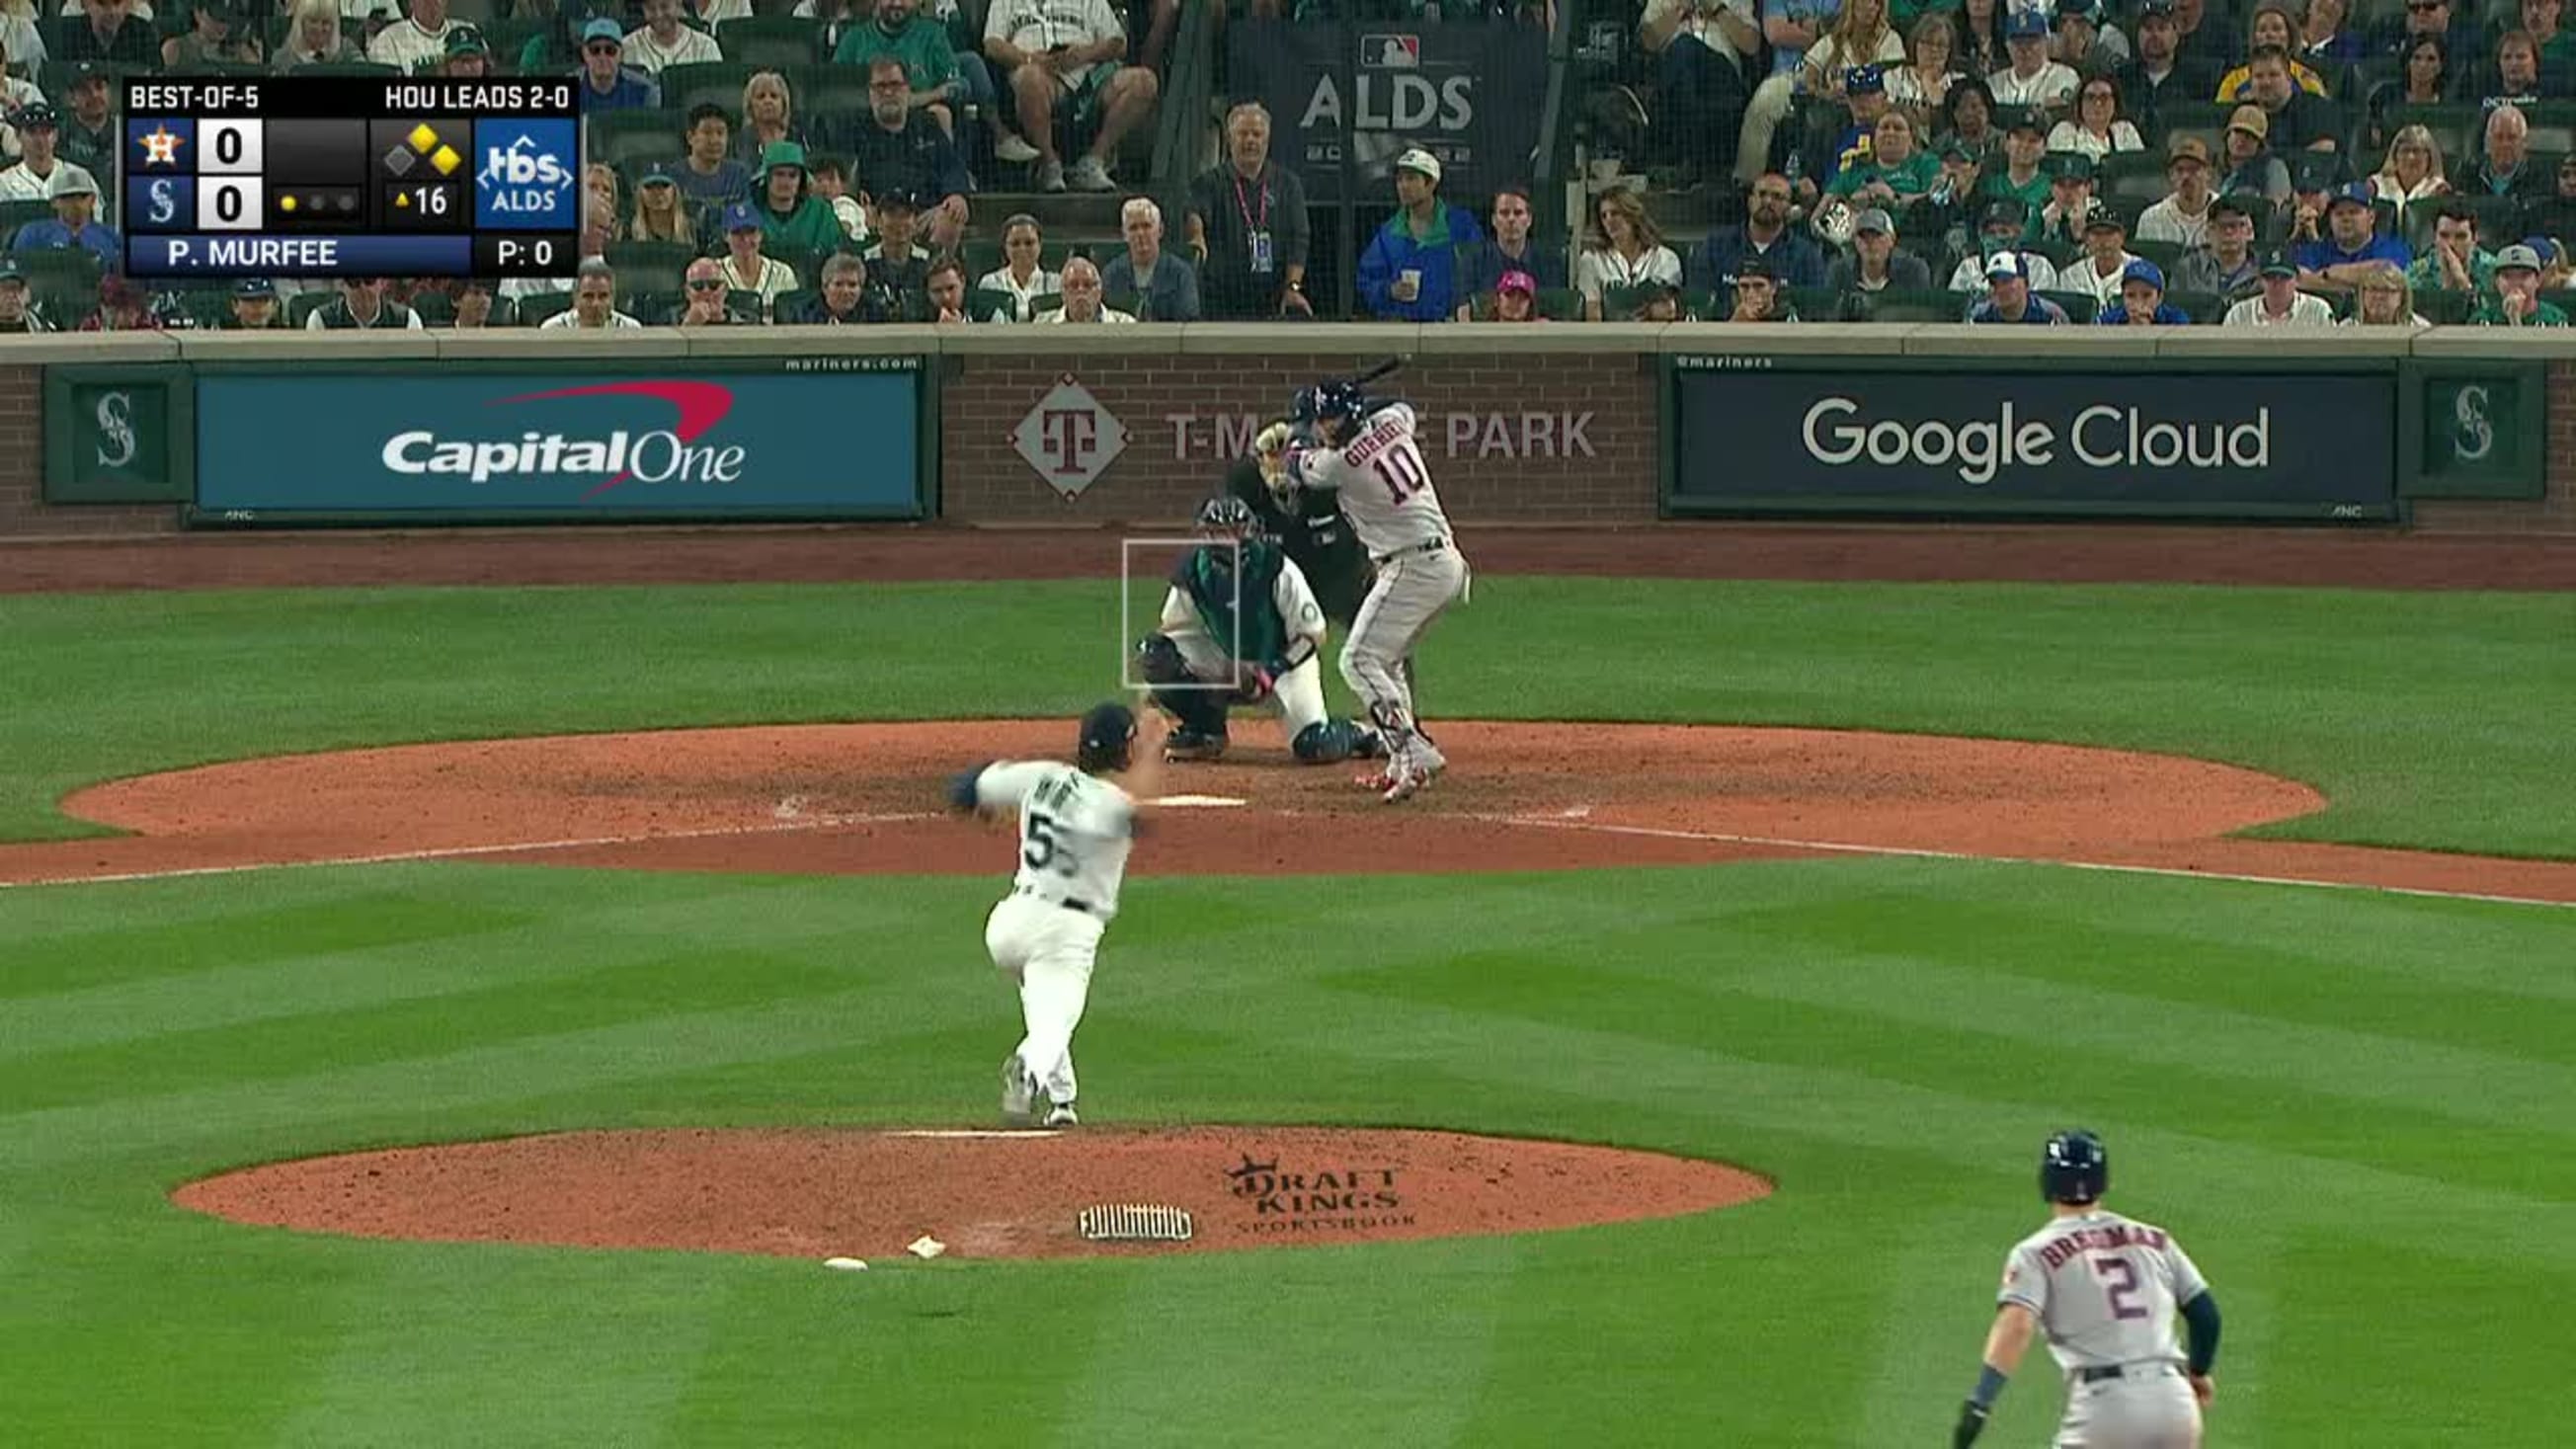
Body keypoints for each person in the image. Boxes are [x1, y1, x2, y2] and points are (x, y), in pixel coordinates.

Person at [948, 700, 1164, 1131]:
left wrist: (986, 809)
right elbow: (1139, 821)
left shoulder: (1043, 776)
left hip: (1009, 923)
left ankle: (1063, 1101)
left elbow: (964, 788)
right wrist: (1154, 751)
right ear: (1124, 752)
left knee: (1044, 1006)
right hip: (1065, 932)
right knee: (1053, 1025)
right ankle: (1027, 1070)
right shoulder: (1109, 802)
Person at [1950, 1130, 2221, 1449]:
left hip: (2107, 1407)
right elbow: (2206, 1315)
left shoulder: (2035, 1252)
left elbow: (2017, 1326)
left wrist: (1981, 1400)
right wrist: (2198, 1372)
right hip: (2174, 1402)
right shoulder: (2155, 1239)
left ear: (2047, 1181)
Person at [1270, 376, 1469, 804]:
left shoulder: (1340, 464)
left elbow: (1296, 465)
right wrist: (1336, 409)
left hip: (1412, 565)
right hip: (1442, 563)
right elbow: (1395, 403)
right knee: (1387, 661)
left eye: (1329, 419)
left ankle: (1415, 750)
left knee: (1357, 661)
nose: (1324, 427)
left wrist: (1296, 426)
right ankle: (1401, 765)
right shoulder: (1395, 423)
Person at [1136, 495, 1383, 766]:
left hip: (1285, 663)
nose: (1229, 539)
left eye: (1236, 531)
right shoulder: (1195, 571)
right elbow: (1173, 631)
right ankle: (1205, 731)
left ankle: (1363, 733)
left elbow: (1311, 635)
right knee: (1155, 652)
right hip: (1228, 657)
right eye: (1220, 533)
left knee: (1315, 745)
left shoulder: (1274, 567)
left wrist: (1269, 672)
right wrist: (1157, 689)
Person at [984, 0, 1160, 194]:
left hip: (1089, 78)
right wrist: (1032, 59)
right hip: (1039, 76)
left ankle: (1094, 161)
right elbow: (992, 44)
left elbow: (1118, 43)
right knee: (1029, 77)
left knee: (1145, 82)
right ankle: (1049, 164)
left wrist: (1085, 54)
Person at [1185, 102, 1311, 320]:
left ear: (1267, 139)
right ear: (1230, 138)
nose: (1250, 140)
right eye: (1243, 134)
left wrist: (1293, 287)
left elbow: (1299, 239)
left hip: (1272, 302)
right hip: (1220, 303)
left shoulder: (1288, 185)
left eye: (1256, 134)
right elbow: (1194, 211)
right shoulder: (1210, 182)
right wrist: (1196, 235)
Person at [843, 56, 972, 251]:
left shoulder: (927, 124)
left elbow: (952, 166)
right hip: (880, 219)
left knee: (952, 214)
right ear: (869, 93)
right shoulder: (855, 130)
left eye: (895, 85)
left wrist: (957, 194)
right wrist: (860, 211)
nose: (888, 92)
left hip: (924, 214)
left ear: (907, 89)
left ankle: (936, 271)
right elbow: (845, 182)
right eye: (880, 86)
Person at [1356, 147, 1484, 323]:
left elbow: (1482, 272)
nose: (1403, 186)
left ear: (1431, 183)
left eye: (1411, 178)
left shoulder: (1461, 226)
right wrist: (1389, 290)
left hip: (1450, 330)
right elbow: (1366, 280)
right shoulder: (1388, 233)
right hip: (1401, 331)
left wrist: (1468, 305)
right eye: (1399, 179)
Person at [1731, 0, 1848, 184]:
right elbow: (1775, 33)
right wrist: (1823, 30)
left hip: (1835, 74)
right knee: (1762, 105)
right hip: (1790, 74)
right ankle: (1746, 185)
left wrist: (1803, 27)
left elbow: (1850, 31)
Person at [1640, 0, 1758, 183]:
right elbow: (1648, 41)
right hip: (1675, 76)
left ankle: (1686, 161)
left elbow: (1752, 45)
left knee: (1686, 48)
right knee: (1683, 50)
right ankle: (1694, 162)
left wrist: (1718, 10)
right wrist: (1679, 10)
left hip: (1720, 76)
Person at [835, 0, 969, 141]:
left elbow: (960, 86)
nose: (897, 3)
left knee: (941, 114)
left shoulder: (932, 34)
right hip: (865, 127)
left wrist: (917, 99)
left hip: (921, 127)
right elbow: (833, 89)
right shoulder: (854, 38)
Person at [1687, 172, 1829, 290]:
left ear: (1789, 208)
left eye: (1777, 197)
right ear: (1750, 202)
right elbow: (1699, 301)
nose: (1767, 201)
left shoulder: (1806, 256)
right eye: (1761, 194)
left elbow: (1815, 312)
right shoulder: (1715, 246)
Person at [1575, 187, 1684, 319]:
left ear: (1631, 215)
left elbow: (1666, 311)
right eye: (1604, 216)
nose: (1609, 220)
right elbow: (1592, 315)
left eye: (1615, 213)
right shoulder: (1591, 260)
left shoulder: (1665, 258)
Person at [2118, 0, 2216, 140]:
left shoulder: (2200, 79)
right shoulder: (2121, 78)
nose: (2154, 35)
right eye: (2148, 28)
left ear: (2176, 34)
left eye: (2162, 28)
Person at [2296, 181, 2410, 289]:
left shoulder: (2392, 247)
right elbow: (2299, 279)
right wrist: (2356, 282)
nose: (2346, 219)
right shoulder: (2317, 250)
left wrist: (2328, 273)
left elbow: (2389, 272)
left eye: (2353, 212)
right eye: (2339, 214)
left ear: (2371, 217)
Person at [1102, 195, 1200, 321]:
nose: (1140, 234)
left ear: (1160, 230)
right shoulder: (1111, 274)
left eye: (1146, 226)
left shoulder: (1181, 274)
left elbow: (1189, 319)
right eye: (1133, 228)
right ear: (1124, 234)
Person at [1829, 109, 1943, 208]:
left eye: (1898, 128)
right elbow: (1817, 219)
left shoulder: (1926, 164)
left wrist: (1893, 198)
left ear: (1911, 138)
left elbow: (1936, 201)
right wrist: (1850, 205)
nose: (1890, 132)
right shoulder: (1854, 171)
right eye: (1884, 127)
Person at [2214, 2, 2328, 101]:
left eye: (2277, 28)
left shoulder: (2307, 79)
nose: (2269, 35)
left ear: (2290, 35)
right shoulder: (2233, 81)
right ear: (2255, 37)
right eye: (2262, 30)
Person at [752, 141, 846, 257]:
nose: (786, 182)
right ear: (766, 177)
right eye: (779, 174)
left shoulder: (822, 213)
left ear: (801, 180)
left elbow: (840, 254)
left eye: (792, 175)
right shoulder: (750, 212)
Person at [1948, 198, 2062, 288]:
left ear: (2018, 234)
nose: (1996, 238)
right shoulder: (1968, 268)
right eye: (1991, 232)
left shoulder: (2038, 267)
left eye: (2004, 231)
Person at [11, 163, 115, 264]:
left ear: (92, 199)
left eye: (82, 197)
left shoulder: (112, 236)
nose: (76, 204)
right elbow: (16, 271)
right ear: (53, 202)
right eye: (67, 197)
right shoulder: (33, 234)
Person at [2459, 105, 2551, 212]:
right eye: (2499, 137)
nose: (2505, 144)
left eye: (2512, 138)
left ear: (2524, 142)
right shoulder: (2468, 174)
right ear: (2488, 142)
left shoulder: (2541, 177)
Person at [714, 204, 800, 316]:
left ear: (761, 234)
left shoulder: (782, 273)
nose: (745, 239)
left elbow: (794, 317)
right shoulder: (715, 273)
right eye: (737, 232)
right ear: (725, 236)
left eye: (750, 231)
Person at [861, 188, 933, 317]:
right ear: (878, 222)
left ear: (915, 222)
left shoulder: (931, 262)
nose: (899, 222)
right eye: (892, 215)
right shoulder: (862, 262)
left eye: (905, 215)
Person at [1990, 7, 2080, 111]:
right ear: (2007, 45)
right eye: (2017, 42)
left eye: (2031, 42)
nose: (2024, 49)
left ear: (2046, 42)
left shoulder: (2064, 77)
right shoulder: (1994, 84)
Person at [977, 211, 1061, 322]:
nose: (1022, 249)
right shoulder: (990, 283)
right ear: (1005, 248)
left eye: (1029, 243)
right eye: (1015, 244)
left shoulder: (1056, 283)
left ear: (1040, 246)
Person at [1825, 206, 1934, 291]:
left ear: (1892, 240)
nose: (1869, 242)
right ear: (1855, 242)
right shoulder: (1840, 273)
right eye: (1863, 236)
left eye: (1877, 235)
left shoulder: (1913, 271)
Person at [2172, 192, 2263, 293]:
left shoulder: (2264, 272)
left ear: (2249, 231)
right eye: (2221, 226)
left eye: (2236, 225)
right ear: (2207, 233)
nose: (2228, 232)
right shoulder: (2188, 270)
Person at [2135, 134, 2216, 244]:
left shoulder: (2228, 216)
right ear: (2171, 175)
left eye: (2193, 169)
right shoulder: (2152, 219)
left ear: (2209, 173)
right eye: (2179, 170)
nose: (2186, 176)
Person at [2369, 123, 2451, 231]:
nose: (2411, 157)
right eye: (2405, 151)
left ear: (2429, 157)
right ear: (2395, 156)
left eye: (2417, 151)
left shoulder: (2440, 189)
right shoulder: (2375, 185)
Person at [1889, 11, 1966, 121]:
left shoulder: (1960, 83)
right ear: (1915, 45)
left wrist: (1933, 91)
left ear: (1950, 50)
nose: (1934, 50)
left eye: (1941, 45)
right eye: (1928, 43)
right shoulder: (1893, 77)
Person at [2223, 247, 2335, 322]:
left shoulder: (2319, 311)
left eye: (2284, 277)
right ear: (2260, 280)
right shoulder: (2238, 314)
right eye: (2270, 277)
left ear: (2297, 279)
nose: (2277, 284)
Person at [2408, 199, 2496, 294]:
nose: (2451, 244)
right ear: (2434, 238)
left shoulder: (2493, 271)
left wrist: (2463, 284)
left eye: (2460, 237)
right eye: (2444, 235)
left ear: (2474, 239)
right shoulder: (2417, 273)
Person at [2061, 204, 2141, 308]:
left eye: (2109, 233)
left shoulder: (2141, 272)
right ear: (2086, 238)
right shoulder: (2071, 276)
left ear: (2122, 237)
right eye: (2096, 234)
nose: (2103, 241)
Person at [2046, 73, 2143, 158]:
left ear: (2115, 103)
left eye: (2104, 97)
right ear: (2080, 103)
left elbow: (2139, 169)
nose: (2097, 103)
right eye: (2090, 97)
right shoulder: (2065, 131)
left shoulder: (2126, 131)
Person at [2470, 242, 2571, 324]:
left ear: (2538, 280)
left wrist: (2515, 320)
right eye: (2507, 276)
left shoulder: (2555, 319)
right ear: (2497, 282)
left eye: (2524, 275)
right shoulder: (2481, 319)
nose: (2516, 282)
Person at [676, 105, 750, 214]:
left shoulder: (739, 175)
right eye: (707, 133)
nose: (715, 140)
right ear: (690, 137)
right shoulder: (675, 177)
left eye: (720, 133)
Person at [576, 20, 658, 111]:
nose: (602, 57)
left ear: (621, 54)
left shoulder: (644, 90)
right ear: (584, 54)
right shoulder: (565, 91)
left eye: (610, 50)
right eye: (595, 50)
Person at [2218, 105, 2292, 206]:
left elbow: (2277, 210)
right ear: (2227, 135)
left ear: (2260, 144)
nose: (2241, 141)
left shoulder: (2273, 168)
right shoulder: (2214, 168)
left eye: (2249, 136)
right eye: (2237, 132)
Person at [785, 253, 890, 324]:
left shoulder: (876, 313)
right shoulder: (803, 315)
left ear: (861, 289)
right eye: (838, 284)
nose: (845, 291)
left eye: (852, 285)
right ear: (825, 288)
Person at [540, 259, 643, 329]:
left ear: (612, 298)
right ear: (576, 298)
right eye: (588, 296)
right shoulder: (553, 329)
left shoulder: (630, 329)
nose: (596, 304)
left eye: (603, 296)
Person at [1968, 250, 2070, 320]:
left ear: (2026, 284)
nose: (1999, 289)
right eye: (1993, 283)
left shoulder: (2050, 316)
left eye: (2006, 281)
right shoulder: (1979, 317)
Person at [623, 0, 720, 73]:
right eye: (651, 9)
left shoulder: (706, 46)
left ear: (678, 4)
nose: (658, 14)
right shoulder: (627, 47)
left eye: (664, 7)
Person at [737, 71, 804, 168]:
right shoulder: (743, 139)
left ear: (784, 103)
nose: (768, 101)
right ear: (750, 106)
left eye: (774, 96)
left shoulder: (796, 135)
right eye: (761, 97)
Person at [166, 0, 263, 66]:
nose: (223, 26)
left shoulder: (241, 51)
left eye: (228, 20)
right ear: (198, 14)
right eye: (217, 18)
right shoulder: (176, 48)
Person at [1041, 255, 1136, 322]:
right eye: (1074, 285)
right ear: (1063, 294)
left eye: (1087, 285)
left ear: (1099, 292)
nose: (1080, 290)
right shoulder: (1042, 324)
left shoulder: (1125, 323)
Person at [2095, 256, 2192, 322]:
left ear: (2159, 297)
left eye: (2147, 295)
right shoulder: (2108, 321)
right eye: (2131, 295)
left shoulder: (2177, 320)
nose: (2138, 302)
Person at [307, 276, 424, 330]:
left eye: (369, 280)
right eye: (354, 282)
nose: (362, 288)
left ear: (382, 283)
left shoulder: (408, 319)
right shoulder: (320, 320)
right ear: (342, 286)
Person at [60, 0, 157, 64]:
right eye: (102, 4)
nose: (112, 11)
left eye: (117, 3)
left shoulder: (143, 29)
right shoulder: (70, 30)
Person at [623, 162, 695, 244]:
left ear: (675, 192)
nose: (657, 193)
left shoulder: (693, 230)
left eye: (664, 185)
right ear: (640, 193)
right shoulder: (627, 231)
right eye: (649, 186)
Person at [276, 0, 362, 67]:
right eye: (313, 21)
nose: (319, 28)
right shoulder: (284, 56)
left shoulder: (347, 49)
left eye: (326, 22)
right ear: (301, 23)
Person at [2346, 266, 2428, 324]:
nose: (2378, 296)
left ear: (2402, 296)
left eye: (2386, 290)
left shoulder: (2420, 328)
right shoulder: (2345, 329)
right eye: (2373, 289)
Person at [1726, 257, 1794, 320]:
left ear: (1773, 287)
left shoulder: (1789, 316)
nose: (1751, 293)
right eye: (1744, 286)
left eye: (1759, 286)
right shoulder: (1727, 313)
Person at [213, 277, 282, 330]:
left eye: (263, 300)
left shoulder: (290, 335)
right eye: (249, 300)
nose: (257, 306)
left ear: (275, 305)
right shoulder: (221, 337)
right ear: (235, 305)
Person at [0, 259, 42, 334]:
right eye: (4, 288)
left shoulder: (45, 331)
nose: (11, 295)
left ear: (28, 295)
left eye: (17, 288)